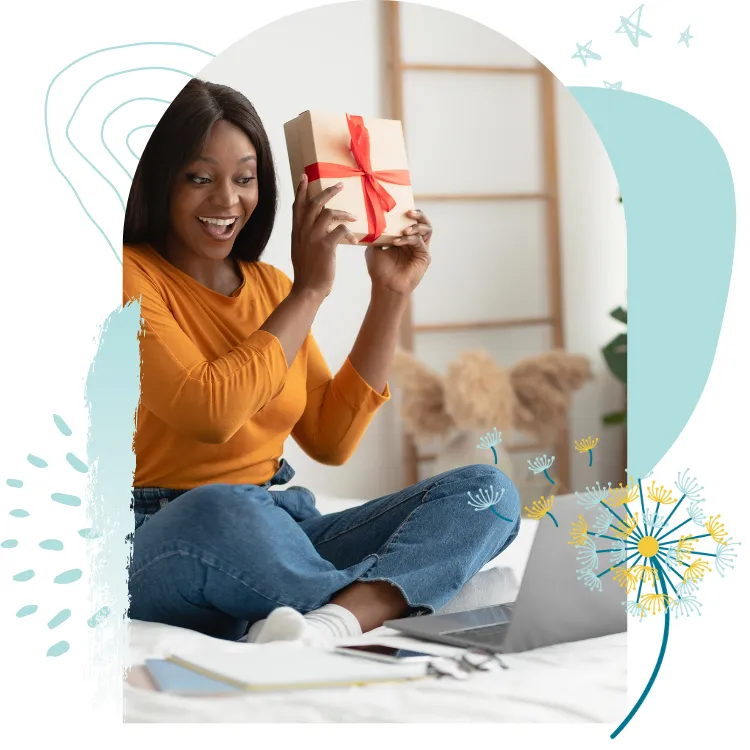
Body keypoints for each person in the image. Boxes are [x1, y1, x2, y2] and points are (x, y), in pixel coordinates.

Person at [123, 78, 520, 646]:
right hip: (164, 535)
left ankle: (330, 621)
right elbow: (207, 412)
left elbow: (330, 440)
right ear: (159, 181)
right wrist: (309, 292)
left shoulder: (269, 287)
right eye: (199, 178)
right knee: (225, 508)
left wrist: (390, 294)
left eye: (245, 178)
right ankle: (407, 596)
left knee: (489, 491)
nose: (226, 201)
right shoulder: (126, 275)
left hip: (282, 526)